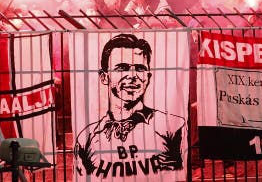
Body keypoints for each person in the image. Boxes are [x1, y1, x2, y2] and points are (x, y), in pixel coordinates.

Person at [75, 34, 185, 177]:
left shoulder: (173, 127)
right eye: (122, 68)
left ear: (148, 78)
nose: (132, 76)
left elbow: (180, 175)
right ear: (104, 77)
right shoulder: (86, 138)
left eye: (140, 68)